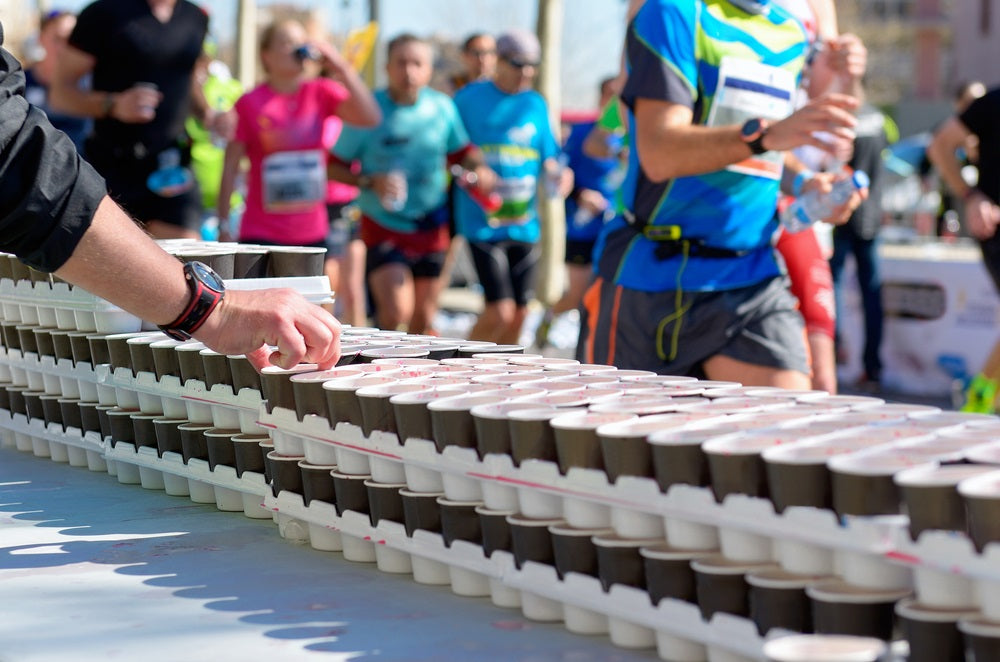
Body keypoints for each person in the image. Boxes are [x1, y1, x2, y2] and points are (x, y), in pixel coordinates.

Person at [0, 25, 341, 371]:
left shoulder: (191, 20)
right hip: (111, 183)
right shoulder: (103, 16)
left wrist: (208, 116)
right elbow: (21, 165)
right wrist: (213, 311)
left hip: (175, 187)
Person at [578, 0, 864, 389]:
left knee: (796, 418)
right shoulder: (673, 13)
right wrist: (766, 136)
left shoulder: (791, 32)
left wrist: (806, 183)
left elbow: (762, 148)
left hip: (750, 275)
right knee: (624, 430)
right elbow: (660, 152)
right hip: (650, 276)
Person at [330, 34, 493, 335]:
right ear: (387, 67)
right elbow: (333, 166)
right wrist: (369, 181)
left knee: (424, 318)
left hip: (431, 223)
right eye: (401, 63)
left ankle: (408, 365)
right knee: (396, 311)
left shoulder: (441, 108)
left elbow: (463, 153)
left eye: (417, 63)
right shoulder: (367, 110)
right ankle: (382, 359)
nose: (409, 71)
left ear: (429, 69)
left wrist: (481, 168)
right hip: (382, 224)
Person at [50, 0, 223, 240]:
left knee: (184, 255)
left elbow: (185, 75)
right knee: (115, 258)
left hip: (172, 166)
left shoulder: (196, 17)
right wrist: (113, 105)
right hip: (113, 166)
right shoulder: (102, 13)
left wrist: (208, 113)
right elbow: (60, 94)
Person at [216, 19, 380, 251]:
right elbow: (230, 167)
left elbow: (371, 117)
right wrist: (224, 225)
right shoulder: (249, 103)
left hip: (312, 233)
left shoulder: (320, 92)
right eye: (287, 42)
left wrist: (340, 66)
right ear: (266, 55)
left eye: (301, 42)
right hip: (261, 232)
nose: (297, 48)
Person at [454, 30, 571, 345]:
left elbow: (550, 156)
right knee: (499, 312)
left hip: (523, 223)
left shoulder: (535, 103)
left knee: (520, 315)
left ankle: (498, 370)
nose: (527, 72)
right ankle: (456, 362)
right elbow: (449, 149)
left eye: (533, 64)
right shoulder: (468, 99)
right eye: (518, 63)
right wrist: (474, 168)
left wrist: (561, 174)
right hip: (483, 223)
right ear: (498, 61)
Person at [928, 84, 1000, 412]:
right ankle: (979, 400)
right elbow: (940, 146)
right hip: (994, 227)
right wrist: (971, 196)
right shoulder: (992, 102)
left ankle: (983, 399)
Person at [535, 76, 621, 349]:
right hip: (583, 227)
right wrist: (582, 195)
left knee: (607, 295)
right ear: (601, 98)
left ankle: (593, 346)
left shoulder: (634, 137)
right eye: (610, 94)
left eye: (620, 95)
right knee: (579, 295)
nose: (616, 101)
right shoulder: (582, 133)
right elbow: (560, 175)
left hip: (617, 228)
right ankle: (549, 318)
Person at [828, 102, 887, 391]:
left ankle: (833, 357)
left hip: (845, 214)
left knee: (835, 287)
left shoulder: (847, 123)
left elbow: (839, 171)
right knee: (870, 294)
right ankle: (871, 368)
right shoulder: (880, 123)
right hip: (869, 217)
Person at [185, 36, 243, 238]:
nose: (199, 64)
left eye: (202, 57)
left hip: (227, 202)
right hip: (185, 203)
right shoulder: (177, 89)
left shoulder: (230, 88)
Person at [22, 9, 90, 153]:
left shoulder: (90, 83)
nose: (64, 47)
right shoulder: (19, 82)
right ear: (41, 38)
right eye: (58, 39)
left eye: (72, 40)